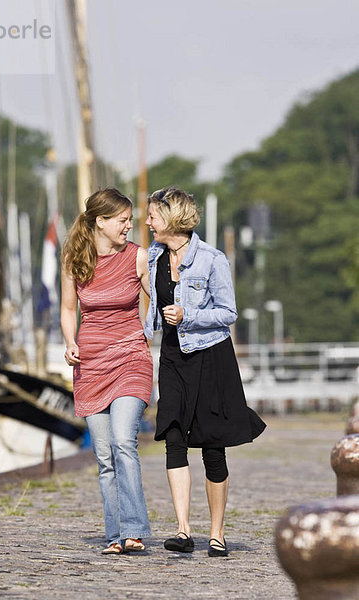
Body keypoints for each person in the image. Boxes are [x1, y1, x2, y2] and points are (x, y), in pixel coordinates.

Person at [144, 186, 266, 557]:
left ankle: (217, 533)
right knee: (174, 436)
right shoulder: (152, 256)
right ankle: (183, 530)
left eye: (153, 216)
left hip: (211, 357)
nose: (147, 223)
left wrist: (189, 315)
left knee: (213, 447)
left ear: (172, 218)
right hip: (172, 357)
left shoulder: (212, 260)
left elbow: (228, 313)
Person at [61, 188, 153, 555]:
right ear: (100, 221)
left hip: (131, 357)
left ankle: (134, 529)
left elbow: (160, 302)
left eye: (130, 220)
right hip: (91, 363)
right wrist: (70, 340)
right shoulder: (75, 258)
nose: (129, 226)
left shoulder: (138, 258)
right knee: (104, 456)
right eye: (123, 220)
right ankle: (115, 534)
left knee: (123, 441)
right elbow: (70, 309)